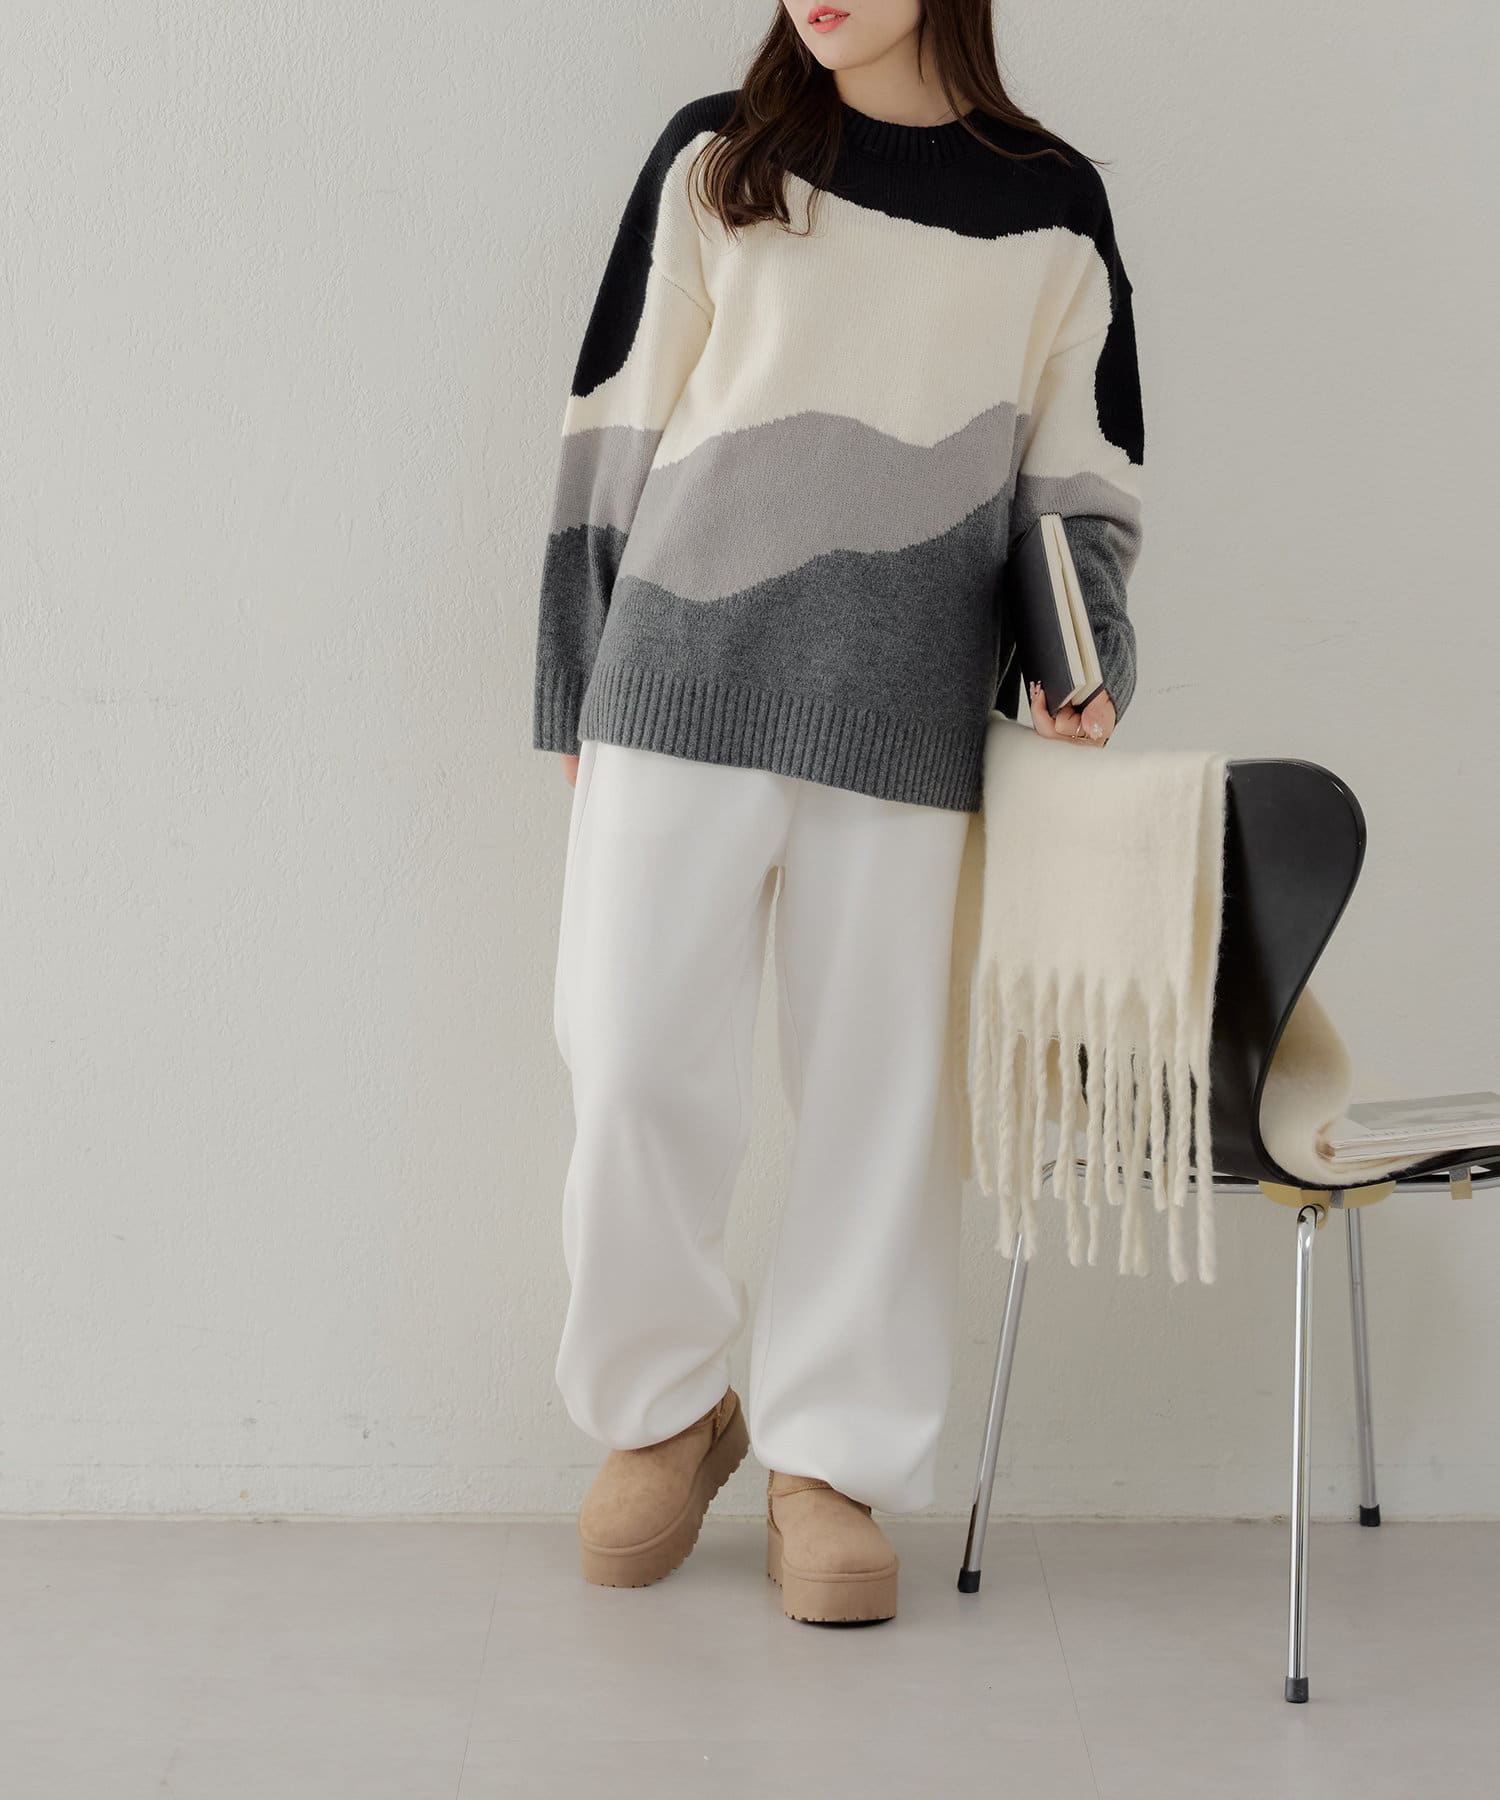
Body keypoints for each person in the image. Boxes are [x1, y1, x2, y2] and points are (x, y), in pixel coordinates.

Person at [530, 0, 1143, 1625]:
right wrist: (574, 681)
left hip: (906, 716)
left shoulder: (1050, 204)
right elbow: (614, 419)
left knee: (880, 1106)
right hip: (674, 680)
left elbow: (1077, 478)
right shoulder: (717, 159)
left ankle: (830, 1461)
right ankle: (667, 1416)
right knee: (629, 1061)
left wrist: (1080, 659)